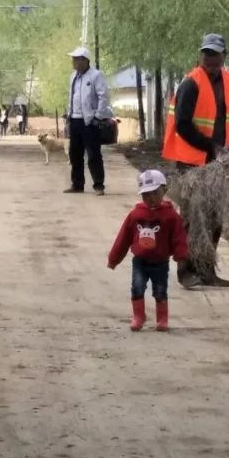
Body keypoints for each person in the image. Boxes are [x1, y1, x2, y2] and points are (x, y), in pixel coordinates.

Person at [161, 33, 229, 287]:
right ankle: (186, 272)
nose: (210, 58)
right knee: (191, 218)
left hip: (215, 163)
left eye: (215, 53)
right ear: (201, 55)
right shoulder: (190, 83)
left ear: (223, 56)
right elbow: (183, 125)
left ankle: (207, 271)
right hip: (191, 163)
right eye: (206, 53)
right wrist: (211, 147)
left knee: (214, 219)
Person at [107, 169, 189, 332]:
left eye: (154, 193)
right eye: (146, 195)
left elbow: (179, 237)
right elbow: (123, 238)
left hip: (160, 262)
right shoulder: (136, 215)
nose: (150, 198)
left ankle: (162, 319)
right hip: (140, 261)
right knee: (137, 287)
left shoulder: (171, 216)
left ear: (164, 191)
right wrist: (114, 259)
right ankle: (139, 316)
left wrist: (181, 255)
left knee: (160, 290)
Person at [65, 46, 111, 195]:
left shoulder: (96, 75)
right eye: (73, 59)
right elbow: (71, 98)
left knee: (93, 154)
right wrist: (68, 116)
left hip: (90, 121)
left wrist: (98, 116)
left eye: (76, 59)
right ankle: (77, 184)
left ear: (84, 60)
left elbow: (104, 96)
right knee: (75, 154)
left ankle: (99, 185)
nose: (73, 62)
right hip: (75, 120)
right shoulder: (73, 76)